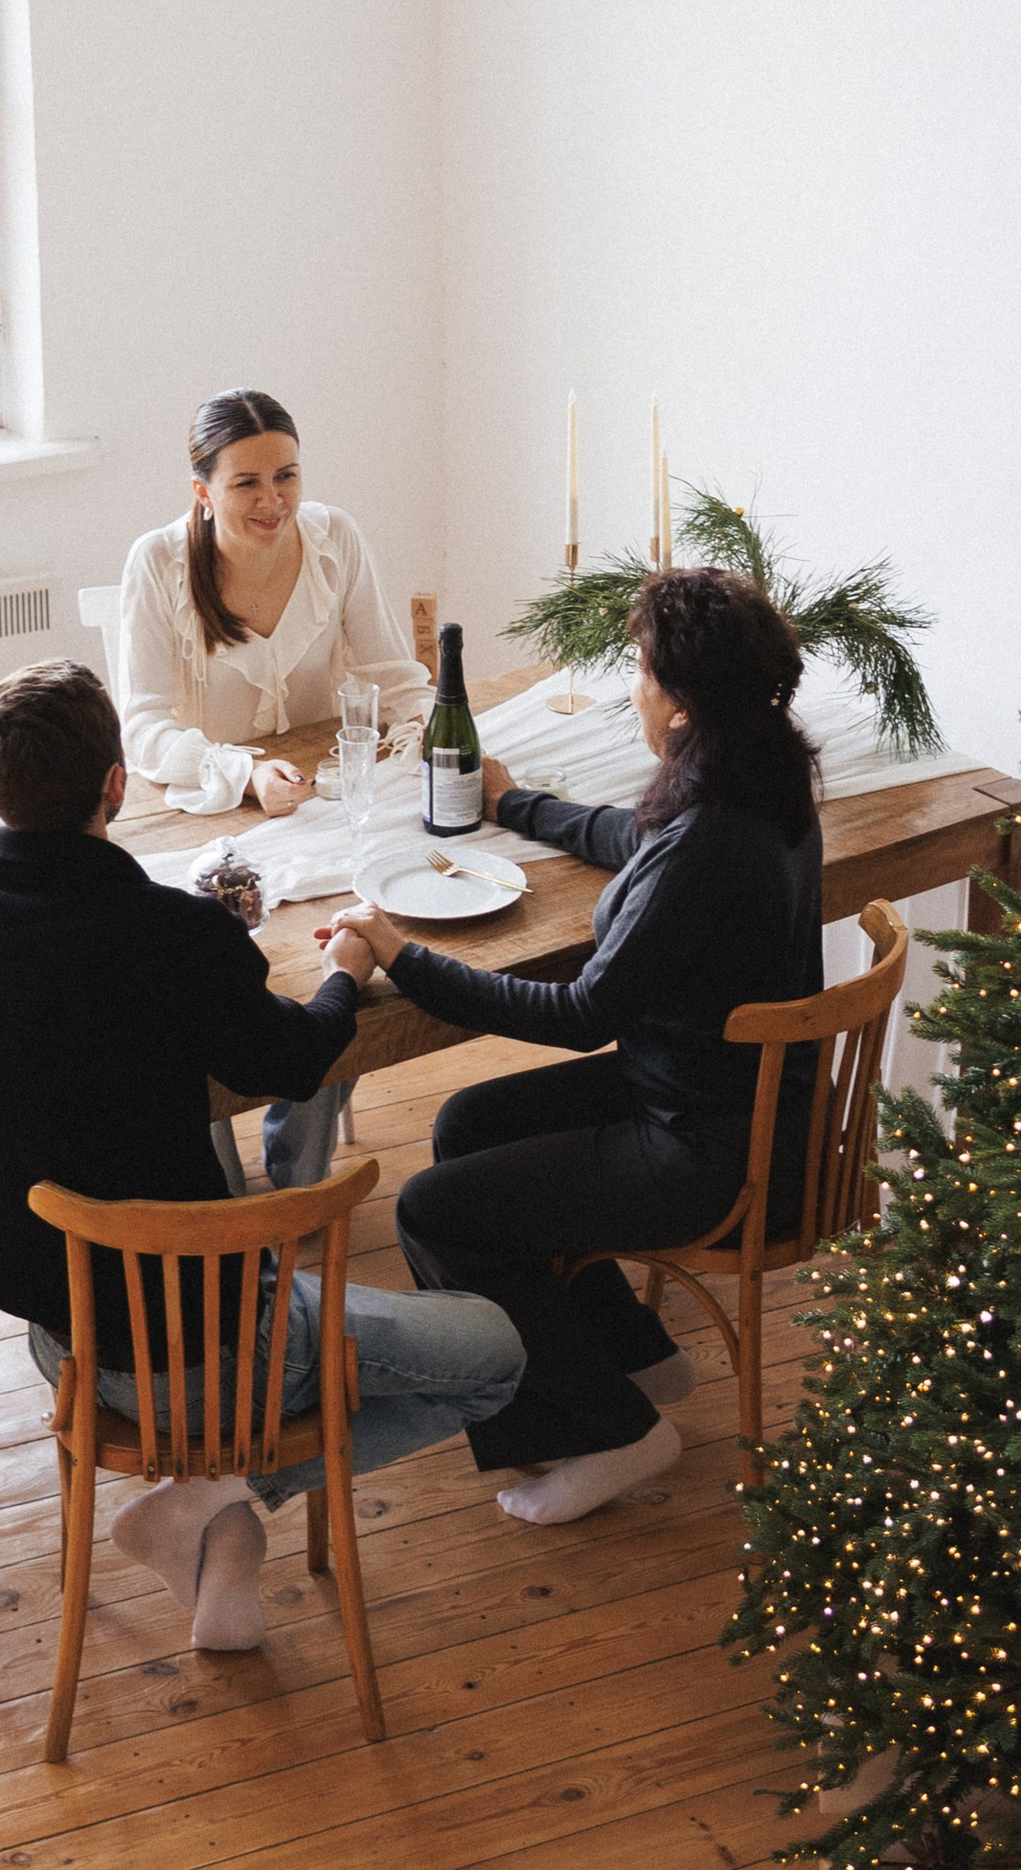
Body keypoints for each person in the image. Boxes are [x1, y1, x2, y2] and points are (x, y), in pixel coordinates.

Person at [0, 659, 523, 1656]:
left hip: (67, 1342)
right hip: (229, 1354)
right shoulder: (176, 932)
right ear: (117, 786)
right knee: (498, 1353)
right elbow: (295, 1060)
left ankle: (208, 1514)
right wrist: (345, 969)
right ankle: (222, 1492)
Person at [322, 568, 823, 1529]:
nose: (633, 685)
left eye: (639, 669)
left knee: (435, 1212)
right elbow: (637, 841)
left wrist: (399, 954)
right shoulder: (754, 774)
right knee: (469, 1123)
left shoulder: (712, 835)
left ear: (680, 704)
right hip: (733, 1100)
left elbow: (579, 1012)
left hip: (706, 1147)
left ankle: (614, 1430)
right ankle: (632, 1351)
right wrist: (515, 805)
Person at [118, 387, 431, 1188]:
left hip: (323, 810)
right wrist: (241, 770)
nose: (273, 501)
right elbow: (142, 728)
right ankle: (221, 1190)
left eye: (286, 476)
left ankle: (297, 1173)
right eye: (247, 484)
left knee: (350, 956)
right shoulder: (157, 563)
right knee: (184, 1006)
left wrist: (430, 737)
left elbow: (397, 679)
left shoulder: (335, 540)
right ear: (202, 492)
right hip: (206, 832)